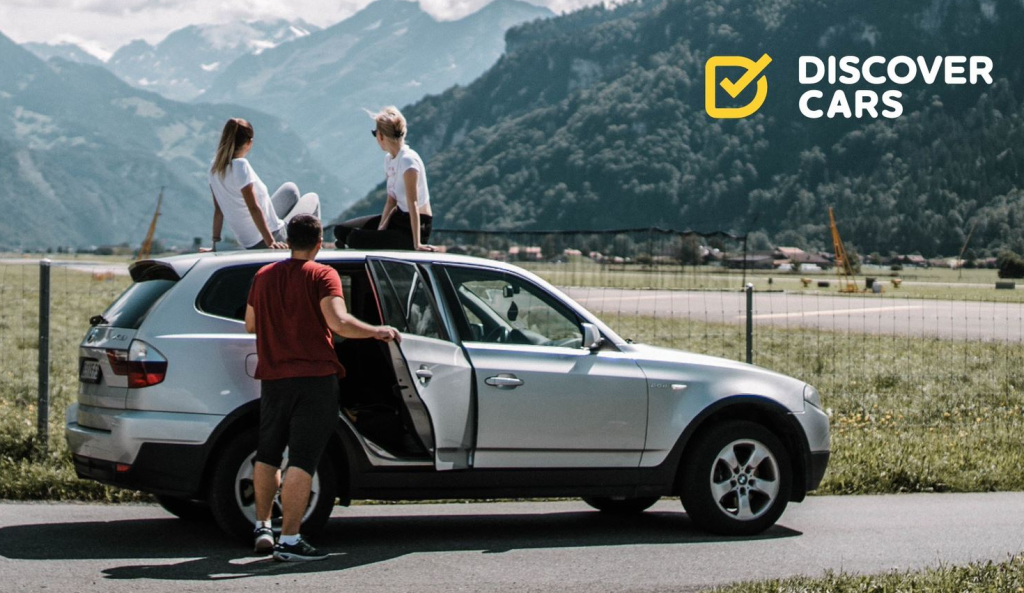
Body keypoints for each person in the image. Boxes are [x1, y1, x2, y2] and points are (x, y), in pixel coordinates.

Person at [244, 214, 399, 561]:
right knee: (302, 459)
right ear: (319, 244)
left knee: (268, 453)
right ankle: (289, 541)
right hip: (314, 380)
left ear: (288, 240)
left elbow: (250, 324)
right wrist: (378, 331)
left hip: (274, 379)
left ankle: (262, 527)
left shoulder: (263, 276)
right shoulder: (323, 274)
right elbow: (339, 323)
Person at [209, 118, 321, 250]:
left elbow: (218, 210)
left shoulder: (214, 168)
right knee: (313, 198)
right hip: (271, 236)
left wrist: (215, 245)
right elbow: (253, 207)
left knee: (290, 189)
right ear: (249, 143)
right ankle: (315, 247)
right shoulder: (240, 165)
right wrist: (271, 242)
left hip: (248, 239)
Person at [333, 107, 435, 251]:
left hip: (415, 227)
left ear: (381, 136)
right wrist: (380, 229)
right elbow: (391, 200)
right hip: (398, 218)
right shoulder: (389, 160)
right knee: (341, 230)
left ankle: (356, 244)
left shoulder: (408, 160)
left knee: (354, 238)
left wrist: (417, 244)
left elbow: (413, 204)